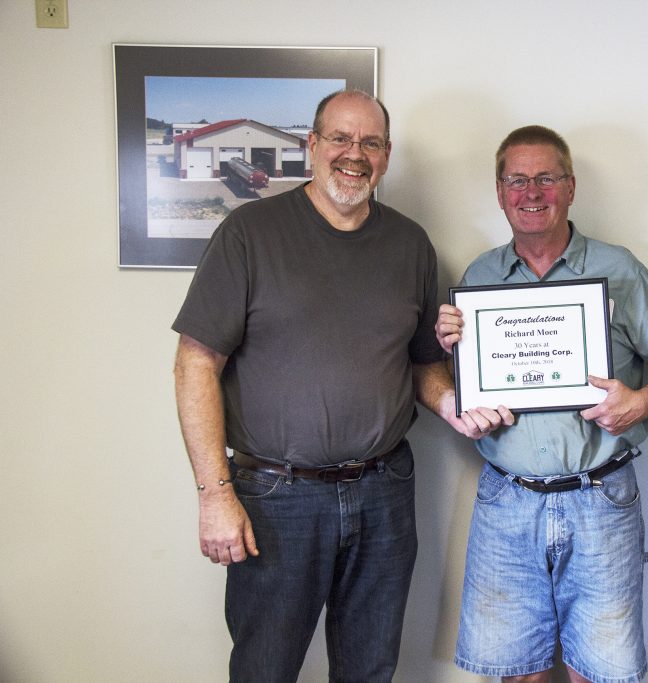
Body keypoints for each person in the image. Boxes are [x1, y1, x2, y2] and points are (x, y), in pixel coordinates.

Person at [172, 89, 505, 682]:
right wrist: (215, 496)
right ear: (312, 144)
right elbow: (194, 364)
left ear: (387, 155)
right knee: (265, 669)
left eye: (371, 143)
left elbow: (423, 364)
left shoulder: (410, 244)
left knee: (369, 669)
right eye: (341, 139)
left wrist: (452, 403)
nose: (355, 154)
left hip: (383, 491)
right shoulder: (249, 232)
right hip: (277, 497)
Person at [435, 125, 648, 683]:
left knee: (598, 673)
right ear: (500, 191)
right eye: (517, 180)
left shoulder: (619, 269)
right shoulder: (479, 277)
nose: (532, 193)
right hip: (507, 501)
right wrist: (450, 349)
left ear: (571, 187)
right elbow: (468, 391)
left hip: (600, 498)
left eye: (546, 178)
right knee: (518, 673)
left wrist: (640, 403)